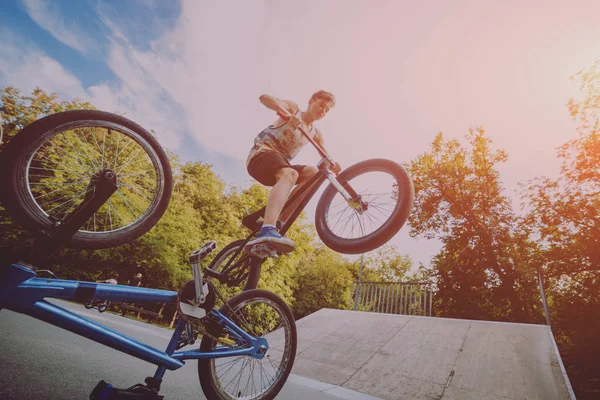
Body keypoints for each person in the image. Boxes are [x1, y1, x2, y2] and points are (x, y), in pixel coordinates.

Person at [244, 90, 341, 256]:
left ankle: (279, 223)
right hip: (260, 156)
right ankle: (267, 228)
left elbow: (325, 155)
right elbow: (265, 98)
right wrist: (286, 113)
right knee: (290, 174)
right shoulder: (294, 109)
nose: (322, 111)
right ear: (311, 101)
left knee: (314, 173)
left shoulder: (316, 134)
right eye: (321, 105)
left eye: (326, 110)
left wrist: (333, 163)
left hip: (277, 166)